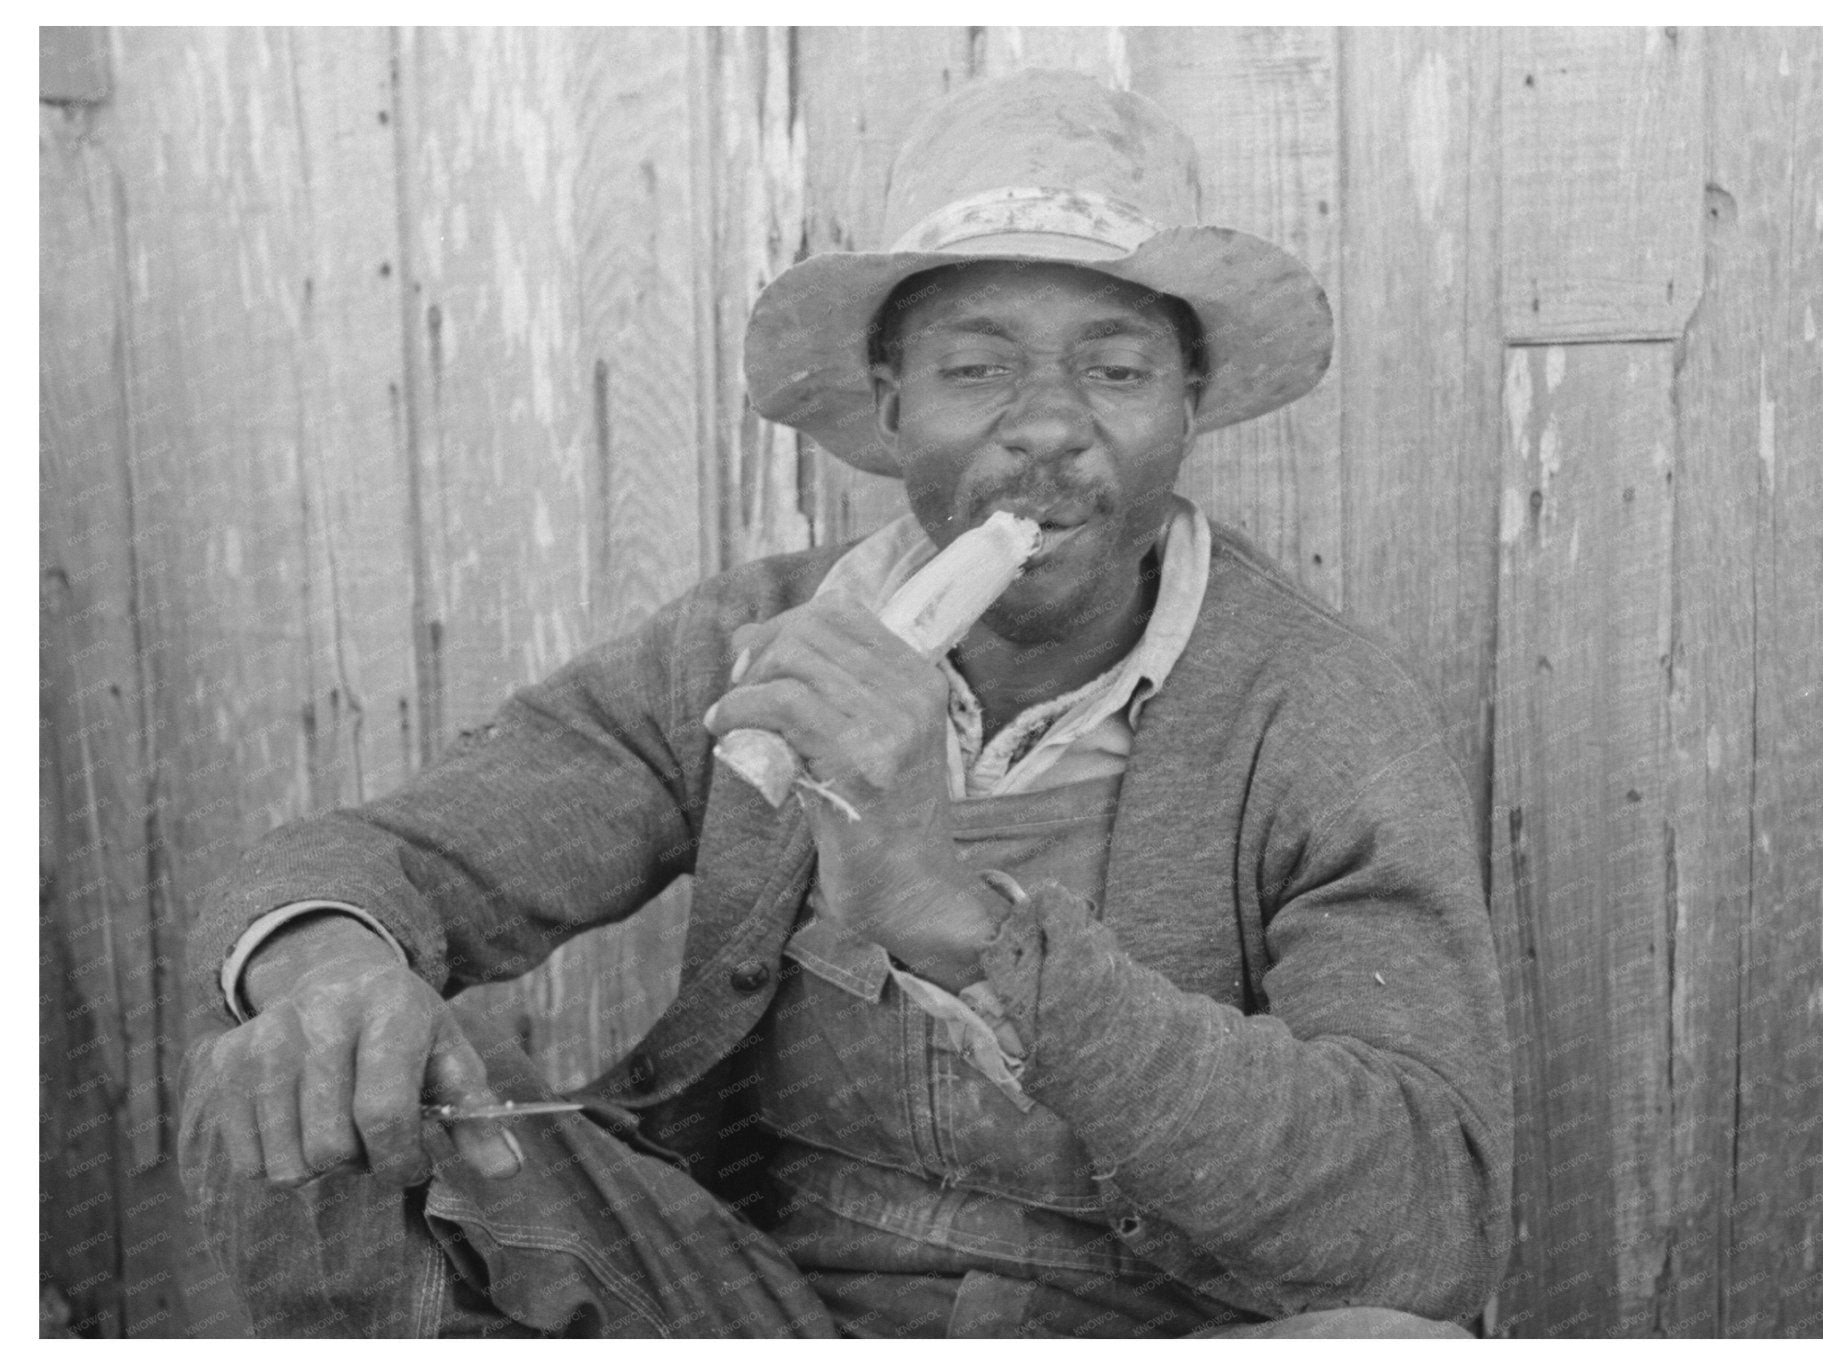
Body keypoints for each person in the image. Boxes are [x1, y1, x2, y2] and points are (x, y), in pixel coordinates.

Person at [178, 69, 1510, 1339]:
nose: (1048, 426)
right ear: (890, 405)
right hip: (760, 1304)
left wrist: (964, 928)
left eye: (1115, 368)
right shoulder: (749, 647)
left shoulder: (1317, 705)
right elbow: (397, 855)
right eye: (976, 368)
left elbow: (1427, 1217)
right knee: (306, 1098)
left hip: (1170, 1317)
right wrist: (327, 970)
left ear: (1190, 404)